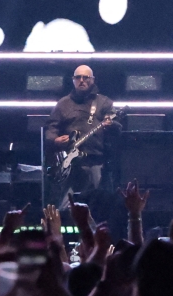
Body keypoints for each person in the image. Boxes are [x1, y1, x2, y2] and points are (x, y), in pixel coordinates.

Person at [45, 65, 121, 209]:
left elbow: (118, 129)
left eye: (85, 77)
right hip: (69, 164)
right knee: (65, 205)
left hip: (95, 162)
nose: (81, 81)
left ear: (93, 80)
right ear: (73, 80)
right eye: (78, 77)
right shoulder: (63, 104)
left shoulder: (104, 102)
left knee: (96, 204)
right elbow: (51, 128)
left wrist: (111, 125)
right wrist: (55, 140)